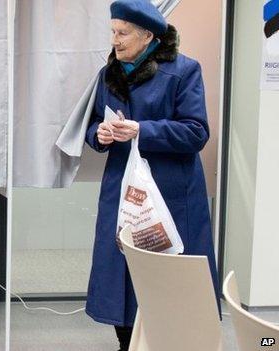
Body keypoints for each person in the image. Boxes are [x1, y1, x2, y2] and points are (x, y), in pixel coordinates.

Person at [84, 1, 220, 350]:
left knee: (169, 280)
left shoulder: (184, 71)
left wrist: (142, 130)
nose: (115, 40)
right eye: (113, 31)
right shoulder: (108, 74)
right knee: (122, 276)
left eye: (123, 33)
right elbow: (92, 125)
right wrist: (98, 135)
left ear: (148, 35)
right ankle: (125, 342)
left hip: (171, 192)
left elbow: (196, 132)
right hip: (123, 189)